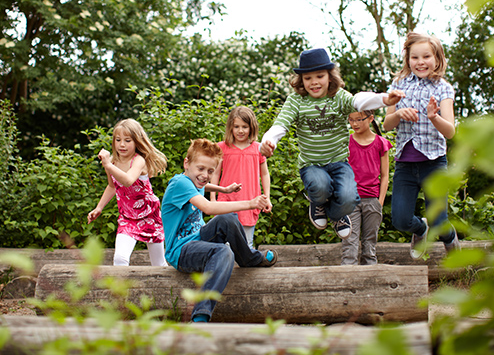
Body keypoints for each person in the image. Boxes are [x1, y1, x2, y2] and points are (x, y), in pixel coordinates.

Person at [260, 48, 404, 239]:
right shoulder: (296, 101)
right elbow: (281, 123)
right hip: (311, 164)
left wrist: (384, 99)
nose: (314, 82)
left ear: (330, 76)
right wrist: (269, 141)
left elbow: (358, 101)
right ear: (301, 80)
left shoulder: (339, 97)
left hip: (339, 163)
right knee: (320, 185)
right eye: (308, 78)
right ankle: (317, 202)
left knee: (348, 198)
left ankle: (337, 216)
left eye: (319, 76)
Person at [162, 138, 278, 323]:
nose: (205, 175)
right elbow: (208, 208)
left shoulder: (194, 181)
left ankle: (249, 258)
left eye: (210, 171)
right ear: (186, 163)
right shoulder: (180, 184)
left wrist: (223, 188)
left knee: (228, 219)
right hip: (181, 250)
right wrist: (249, 203)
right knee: (223, 252)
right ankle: (201, 312)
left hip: (199, 239)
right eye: (200, 169)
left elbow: (203, 184)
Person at [382, 32, 460, 259]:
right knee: (400, 220)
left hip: (434, 163)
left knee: (439, 221)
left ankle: (449, 236)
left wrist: (434, 117)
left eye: (426, 56)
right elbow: (387, 125)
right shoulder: (398, 85)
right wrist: (398, 114)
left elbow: (450, 131)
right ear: (408, 59)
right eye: (414, 57)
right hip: (405, 164)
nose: (420, 62)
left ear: (437, 58)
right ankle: (420, 230)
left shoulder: (443, 88)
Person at [88, 119, 168, 267]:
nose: (122, 144)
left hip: (150, 215)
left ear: (137, 141)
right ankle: (121, 290)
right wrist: (99, 207)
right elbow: (112, 186)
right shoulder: (112, 162)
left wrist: (107, 165)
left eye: (127, 140)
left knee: (158, 263)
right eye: (118, 140)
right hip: (128, 217)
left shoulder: (139, 161)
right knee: (120, 258)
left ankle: (166, 289)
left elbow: (128, 180)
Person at [210, 106, 272, 249]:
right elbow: (215, 173)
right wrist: (213, 199)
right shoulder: (222, 148)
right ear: (230, 127)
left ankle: (245, 271)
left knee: (246, 244)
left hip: (250, 202)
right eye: (236, 126)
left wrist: (266, 197)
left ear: (252, 127)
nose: (240, 130)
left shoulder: (258, 149)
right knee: (223, 244)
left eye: (245, 126)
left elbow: (264, 173)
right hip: (225, 203)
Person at [341, 110, 392, 265]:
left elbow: (385, 176)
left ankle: (370, 282)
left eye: (359, 119)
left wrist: (380, 202)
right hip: (350, 201)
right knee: (349, 244)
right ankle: (346, 282)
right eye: (351, 120)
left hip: (372, 200)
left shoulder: (381, 143)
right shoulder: (345, 142)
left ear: (370, 119)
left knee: (369, 246)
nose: (354, 124)